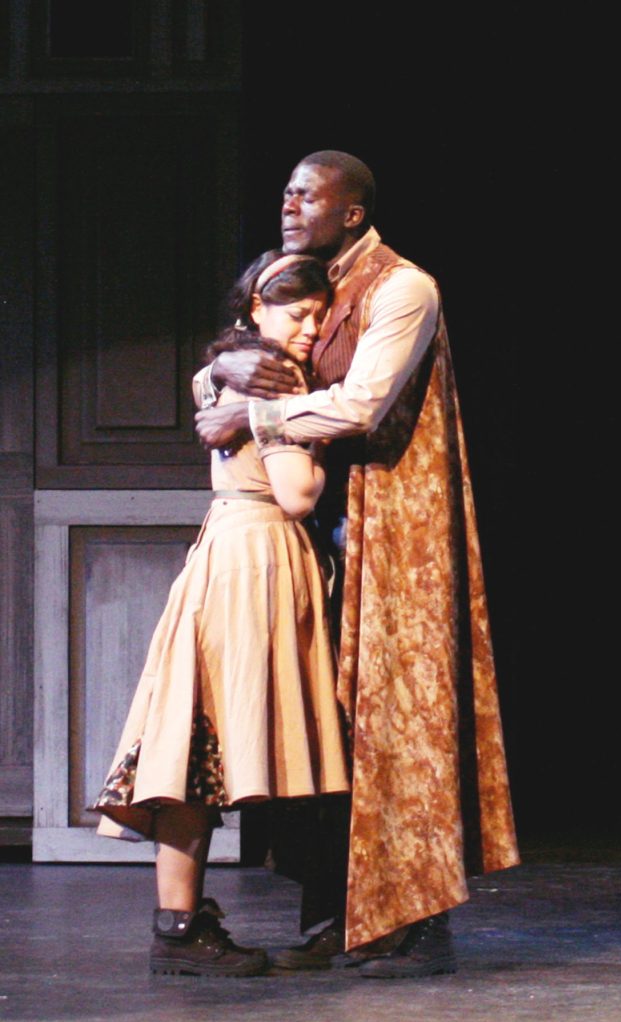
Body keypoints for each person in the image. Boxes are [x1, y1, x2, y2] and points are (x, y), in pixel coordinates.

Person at [195, 150, 520, 979]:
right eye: (285, 192)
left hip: (397, 533)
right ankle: (336, 916)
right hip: (314, 533)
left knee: (399, 720)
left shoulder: (402, 286)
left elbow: (363, 403)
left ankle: (412, 921)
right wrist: (220, 370)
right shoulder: (306, 285)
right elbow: (243, 342)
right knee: (326, 723)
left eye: (307, 194)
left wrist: (253, 413)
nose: (288, 204)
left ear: (352, 211)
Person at [93, 250, 350, 978]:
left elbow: (207, 380)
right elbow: (297, 494)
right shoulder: (277, 379)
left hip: (224, 547)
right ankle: (209, 928)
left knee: (195, 736)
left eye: (318, 316)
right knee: (215, 734)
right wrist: (317, 434)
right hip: (259, 557)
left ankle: (178, 924)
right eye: (296, 313)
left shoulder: (223, 371)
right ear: (255, 310)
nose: (310, 328)